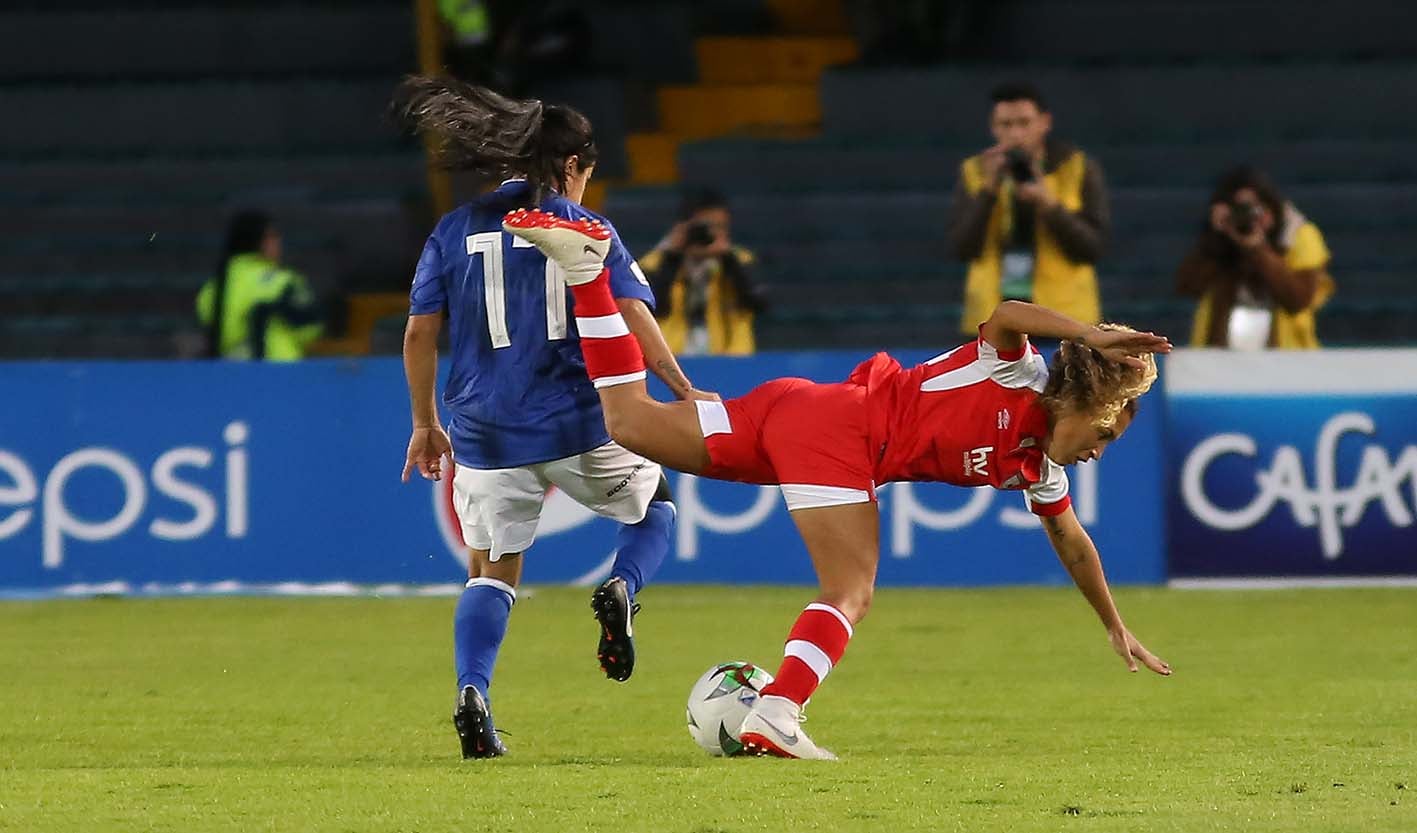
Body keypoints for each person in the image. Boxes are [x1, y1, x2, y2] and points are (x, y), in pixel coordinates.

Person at [505, 209, 1174, 760]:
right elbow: (1005, 310)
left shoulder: (1038, 467)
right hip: (844, 432)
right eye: (1105, 433)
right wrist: (1089, 332)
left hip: (799, 412)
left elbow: (1072, 540)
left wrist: (1113, 624)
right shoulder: (1016, 374)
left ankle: (586, 276)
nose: (1099, 451)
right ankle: (778, 709)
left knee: (629, 421)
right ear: (1085, 400)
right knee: (849, 590)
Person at [393, 77, 714, 759]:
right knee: (653, 505)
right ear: (571, 166)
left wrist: (424, 422)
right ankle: (623, 585)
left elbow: (420, 333)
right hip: (578, 421)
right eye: (587, 172)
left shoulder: (454, 229)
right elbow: (631, 312)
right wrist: (680, 386)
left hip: (482, 430)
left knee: (490, 569)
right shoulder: (588, 227)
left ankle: (473, 691)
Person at [947, 82, 1109, 337]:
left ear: (1045, 122)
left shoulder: (1076, 168)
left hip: (1064, 316)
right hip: (993, 317)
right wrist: (988, 192)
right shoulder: (975, 172)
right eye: (1006, 125)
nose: (1015, 134)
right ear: (992, 127)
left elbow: (1093, 248)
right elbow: (962, 248)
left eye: (1024, 123)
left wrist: (1050, 205)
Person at [1175, 167, 1334, 349]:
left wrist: (1258, 248)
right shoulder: (1218, 241)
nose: (1248, 218)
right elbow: (1187, 287)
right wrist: (1217, 238)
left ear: (1271, 208)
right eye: (1239, 210)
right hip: (1218, 356)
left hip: (1287, 354)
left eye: (1254, 209)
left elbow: (1297, 299)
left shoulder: (1300, 235)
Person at [641, 188, 765, 356]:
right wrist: (672, 258)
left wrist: (728, 259)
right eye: (705, 227)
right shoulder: (655, 263)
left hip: (732, 357)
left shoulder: (740, 260)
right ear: (683, 227)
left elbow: (757, 304)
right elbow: (654, 309)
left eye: (720, 226)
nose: (712, 233)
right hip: (673, 358)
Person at [196, 212, 323, 360]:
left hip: (230, 375)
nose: (279, 242)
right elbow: (309, 330)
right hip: (281, 373)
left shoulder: (210, 290)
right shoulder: (282, 282)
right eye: (274, 236)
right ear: (261, 242)